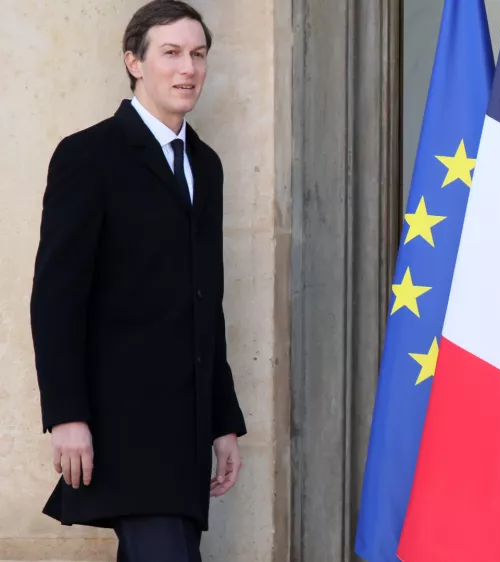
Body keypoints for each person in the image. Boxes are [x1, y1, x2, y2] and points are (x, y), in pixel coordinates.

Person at [29, 1, 246, 560]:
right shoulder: (88, 155)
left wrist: (222, 422)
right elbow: (56, 299)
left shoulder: (206, 165)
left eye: (198, 54)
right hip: (122, 424)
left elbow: (206, 302)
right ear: (134, 62)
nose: (188, 69)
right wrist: (66, 415)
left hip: (186, 432)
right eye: (171, 53)